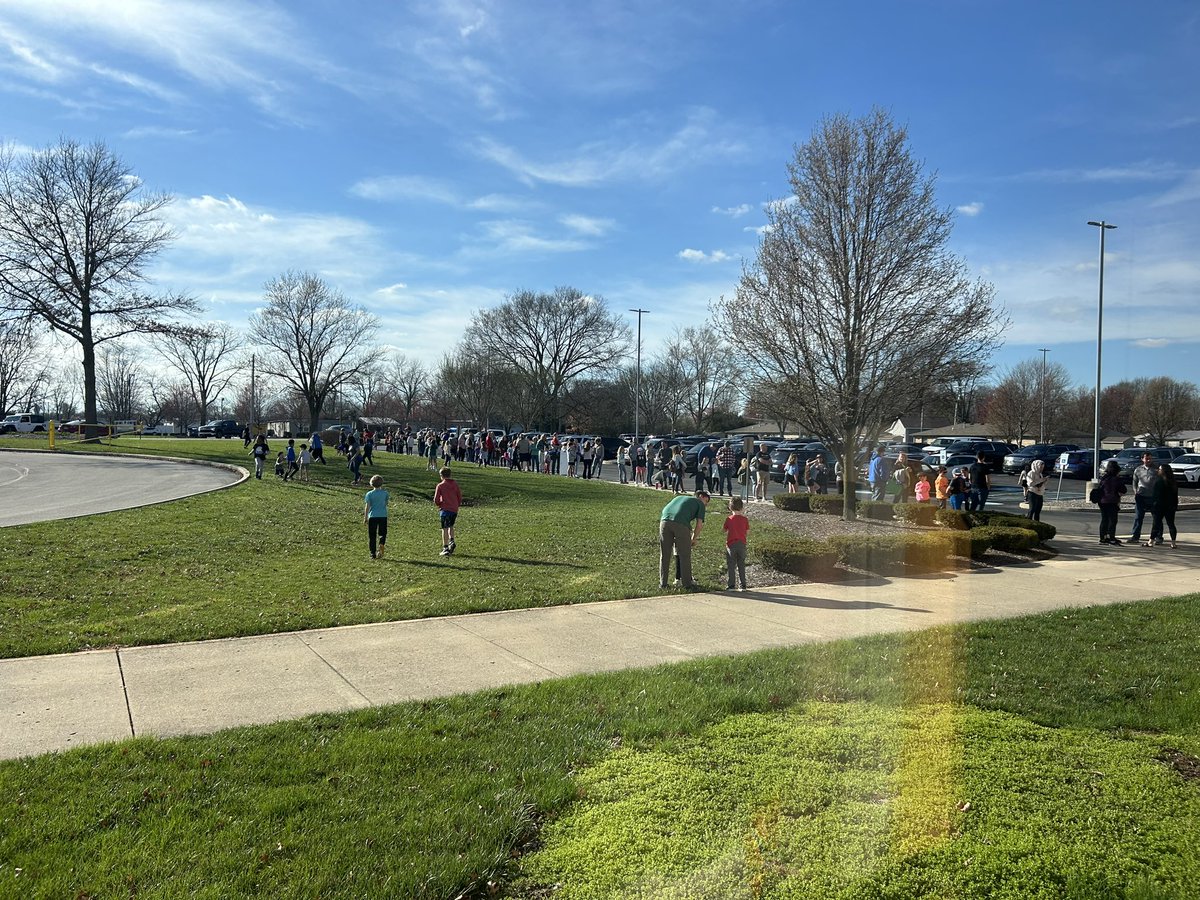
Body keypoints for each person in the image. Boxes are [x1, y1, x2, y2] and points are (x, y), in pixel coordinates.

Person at [659, 489, 711, 590]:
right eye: (707, 501)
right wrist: (693, 539)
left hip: (664, 521)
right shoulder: (699, 503)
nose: (706, 505)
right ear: (701, 497)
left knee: (665, 554)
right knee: (684, 554)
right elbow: (699, 525)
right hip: (681, 524)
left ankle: (663, 584)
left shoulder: (679, 497)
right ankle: (687, 584)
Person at [1128, 452, 1158, 544]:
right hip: (1141, 497)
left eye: (1150, 458)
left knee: (1157, 518)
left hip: (1154, 497)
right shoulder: (1138, 470)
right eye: (1146, 458)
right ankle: (1135, 536)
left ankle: (1158, 537)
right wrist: (1135, 492)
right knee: (1138, 517)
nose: (1148, 460)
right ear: (1142, 459)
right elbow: (1134, 482)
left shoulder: (1156, 469)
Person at [1147, 463, 1179, 548]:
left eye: (1160, 469)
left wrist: (1152, 505)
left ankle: (1151, 541)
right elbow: (1175, 496)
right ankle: (1173, 542)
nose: (1158, 470)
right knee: (1171, 524)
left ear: (1163, 471)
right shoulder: (1173, 482)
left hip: (1159, 506)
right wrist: (1175, 505)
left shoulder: (1158, 481)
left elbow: (1155, 495)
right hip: (1170, 506)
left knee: (1156, 524)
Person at [722, 497, 750, 591]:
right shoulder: (745, 519)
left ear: (730, 508)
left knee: (731, 565)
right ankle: (743, 585)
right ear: (741, 507)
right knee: (741, 564)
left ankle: (731, 585)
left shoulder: (729, 519)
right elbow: (747, 531)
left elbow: (724, 530)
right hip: (742, 543)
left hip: (731, 544)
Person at [1097, 459, 1127, 545]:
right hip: (1112, 501)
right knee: (1112, 520)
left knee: (1104, 519)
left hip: (1102, 501)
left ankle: (1103, 538)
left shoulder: (1104, 478)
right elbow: (1123, 490)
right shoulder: (1116, 479)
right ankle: (1111, 538)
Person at [434, 466, 462, 556]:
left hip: (445, 509)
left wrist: (439, 504)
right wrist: (457, 504)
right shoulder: (455, 484)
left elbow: (436, 500)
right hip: (454, 509)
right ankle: (452, 540)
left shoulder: (440, 486)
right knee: (451, 526)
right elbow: (459, 496)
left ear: (441, 476)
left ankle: (445, 547)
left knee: (444, 528)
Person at [363, 474, 389, 560]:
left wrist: (365, 517)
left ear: (371, 484)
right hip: (383, 516)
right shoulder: (385, 493)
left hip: (372, 516)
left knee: (372, 535)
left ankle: (372, 553)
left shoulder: (369, 494)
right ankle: (381, 543)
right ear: (381, 484)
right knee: (382, 533)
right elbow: (385, 504)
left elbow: (367, 506)